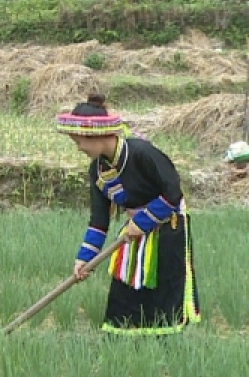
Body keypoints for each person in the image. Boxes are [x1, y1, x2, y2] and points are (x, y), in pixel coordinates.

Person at [57, 93, 201, 335]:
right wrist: (84, 259)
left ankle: (165, 339)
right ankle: (125, 337)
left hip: (167, 227)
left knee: (161, 287)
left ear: (97, 135)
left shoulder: (142, 153)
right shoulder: (98, 170)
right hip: (133, 231)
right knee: (125, 290)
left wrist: (143, 222)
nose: (79, 148)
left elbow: (173, 192)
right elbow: (99, 221)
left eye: (79, 141)